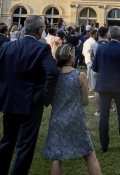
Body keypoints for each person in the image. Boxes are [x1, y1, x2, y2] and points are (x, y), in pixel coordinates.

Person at [0, 15, 59, 175]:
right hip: (30, 102)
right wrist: (45, 97)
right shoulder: (41, 48)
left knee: (7, 140)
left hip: (10, 100)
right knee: (25, 145)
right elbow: (52, 72)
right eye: (43, 28)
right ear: (39, 30)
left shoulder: (8, 46)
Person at [42, 44, 102, 175]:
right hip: (76, 119)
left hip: (57, 118)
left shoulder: (53, 76)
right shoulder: (80, 76)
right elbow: (85, 102)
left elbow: (51, 99)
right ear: (70, 57)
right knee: (90, 156)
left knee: (56, 157)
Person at [93, 26, 120, 152]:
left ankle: (104, 145)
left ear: (109, 35)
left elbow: (95, 67)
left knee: (104, 116)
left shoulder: (101, 48)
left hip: (104, 85)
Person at [82, 30, 98, 94]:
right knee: (89, 74)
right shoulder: (93, 42)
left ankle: (87, 87)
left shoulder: (86, 41)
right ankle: (86, 87)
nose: (96, 35)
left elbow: (83, 51)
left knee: (89, 73)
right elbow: (90, 50)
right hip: (91, 58)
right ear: (93, 34)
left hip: (86, 58)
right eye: (96, 34)